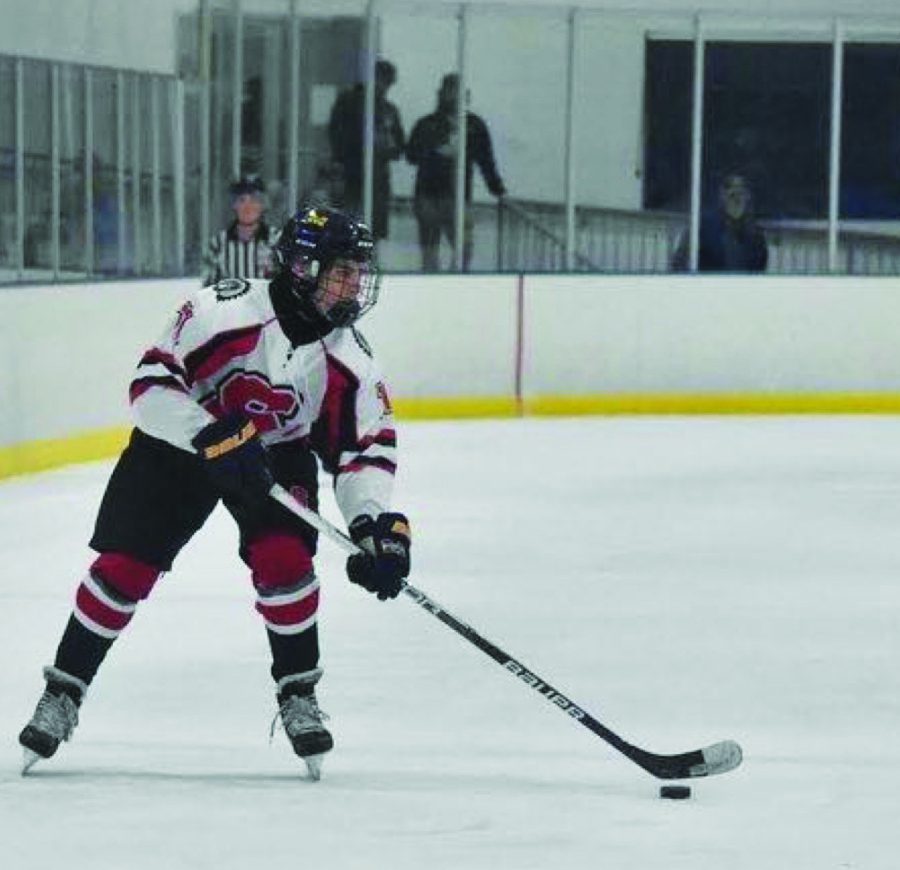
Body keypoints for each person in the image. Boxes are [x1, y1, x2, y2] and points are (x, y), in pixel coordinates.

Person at [18, 206, 412, 781]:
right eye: (344, 271)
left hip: (273, 453)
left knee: (286, 562)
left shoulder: (348, 357)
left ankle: (298, 692)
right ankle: (64, 691)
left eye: (359, 271)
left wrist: (375, 527)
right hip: (183, 440)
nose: (356, 285)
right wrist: (208, 432)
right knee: (124, 568)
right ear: (303, 267)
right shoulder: (221, 311)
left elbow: (365, 449)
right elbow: (149, 386)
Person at [406, 73, 506, 272]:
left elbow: (485, 160)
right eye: (449, 91)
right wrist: (435, 150)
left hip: (458, 198)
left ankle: (454, 285)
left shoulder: (474, 126)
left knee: (464, 250)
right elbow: (411, 155)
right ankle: (432, 289)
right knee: (430, 254)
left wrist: (497, 189)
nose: (453, 97)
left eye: (457, 92)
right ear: (441, 94)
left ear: (466, 96)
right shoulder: (427, 124)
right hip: (428, 196)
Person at [328, 59, 405, 241]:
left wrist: (388, 145)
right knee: (348, 227)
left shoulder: (388, 110)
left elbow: (399, 145)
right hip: (353, 174)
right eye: (382, 81)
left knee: (370, 231)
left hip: (375, 177)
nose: (384, 87)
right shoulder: (350, 102)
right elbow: (337, 136)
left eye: (387, 83)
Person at [671, 172, 768, 272]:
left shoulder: (756, 235)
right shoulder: (703, 227)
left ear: (748, 196)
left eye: (741, 194)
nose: (737, 199)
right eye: (732, 195)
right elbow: (680, 263)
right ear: (721, 195)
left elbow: (759, 270)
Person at [201, 175, 280, 286]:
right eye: (242, 200)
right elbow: (209, 290)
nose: (247, 206)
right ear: (234, 205)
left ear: (262, 205)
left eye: (254, 200)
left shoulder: (277, 240)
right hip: (231, 303)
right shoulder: (218, 244)